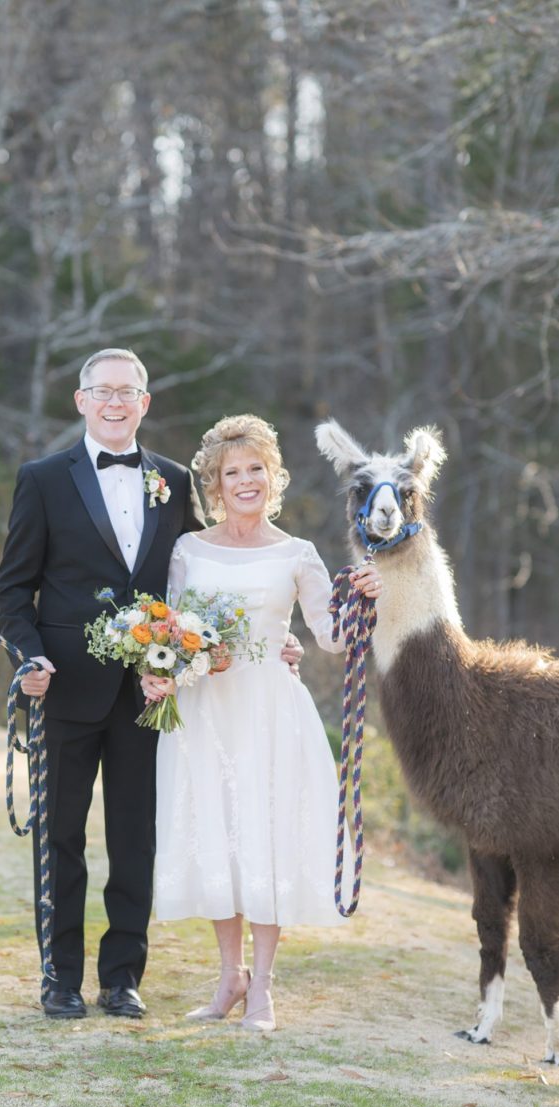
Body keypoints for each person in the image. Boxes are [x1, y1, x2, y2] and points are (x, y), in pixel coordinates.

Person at [0, 352, 302, 1021]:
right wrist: (30, 659)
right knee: (62, 839)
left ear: (144, 402)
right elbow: (14, 592)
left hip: (153, 694)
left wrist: (271, 635)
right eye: (101, 392)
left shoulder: (171, 482)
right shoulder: (42, 480)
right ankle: (60, 977)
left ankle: (122, 977)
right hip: (65, 690)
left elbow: (205, 583)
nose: (113, 403)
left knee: (136, 839)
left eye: (125, 392)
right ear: (80, 401)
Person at [141, 414, 381, 1032]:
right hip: (205, 712)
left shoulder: (297, 554)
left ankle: (265, 987)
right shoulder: (188, 550)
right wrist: (158, 668)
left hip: (271, 713)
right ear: (214, 484)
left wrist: (369, 597)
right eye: (232, 472)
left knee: (265, 837)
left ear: (272, 477)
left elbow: (331, 637)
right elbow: (167, 628)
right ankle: (229, 977)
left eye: (256, 469)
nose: (244, 480)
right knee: (218, 832)